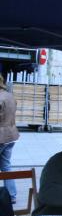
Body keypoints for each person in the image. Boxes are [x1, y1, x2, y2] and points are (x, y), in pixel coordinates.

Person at [0, 75, 19, 204]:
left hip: (1, 135)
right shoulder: (10, 95)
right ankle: (12, 195)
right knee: (6, 165)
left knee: (6, 165)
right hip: (11, 135)